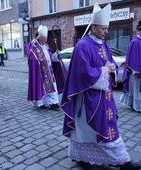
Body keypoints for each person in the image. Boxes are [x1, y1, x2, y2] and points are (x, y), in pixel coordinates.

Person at [61, 3, 141, 170]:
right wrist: (104, 70)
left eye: (107, 28)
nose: (106, 32)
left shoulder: (103, 44)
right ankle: (82, 157)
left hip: (104, 96)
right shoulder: (82, 46)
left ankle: (121, 160)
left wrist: (112, 69)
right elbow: (82, 73)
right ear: (94, 27)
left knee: (107, 127)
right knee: (86, 130)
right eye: (104, 28)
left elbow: (110, 63)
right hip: (88, 98)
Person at [27, 25, 61, 110]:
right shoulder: (34, 47)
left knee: (53, 86)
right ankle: (41, 103)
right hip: (40, 71)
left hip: (49, 71)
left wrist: (56, 55)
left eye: (46, 38)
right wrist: (41, 62)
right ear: (39, 37)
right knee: (41, 88)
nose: (46, 40)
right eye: (44, 38)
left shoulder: (46, 46)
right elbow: (32, 59)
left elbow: (50, 58)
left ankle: (53, 102)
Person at [120, 20, 141, 113]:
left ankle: (134, 104)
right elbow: (132, 57)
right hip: (135, 71)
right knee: (136, 90)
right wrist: (136, 70)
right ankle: (136, 106)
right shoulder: (135, 42)